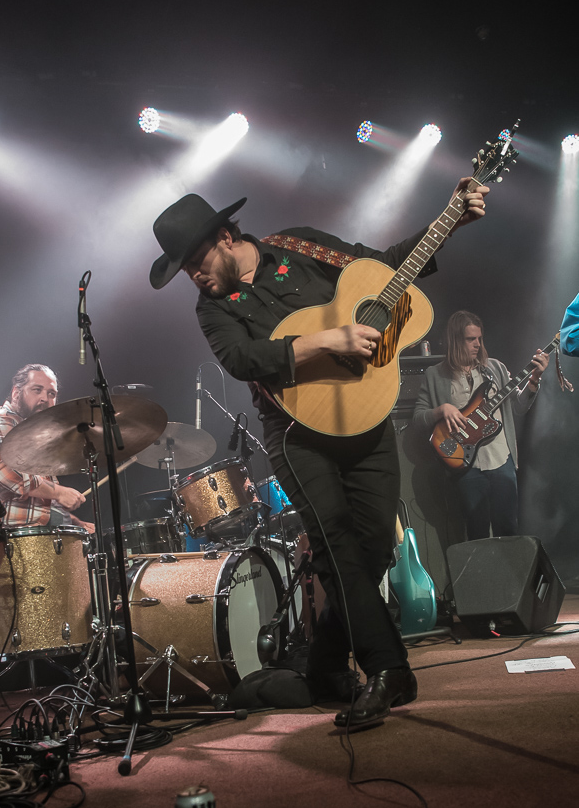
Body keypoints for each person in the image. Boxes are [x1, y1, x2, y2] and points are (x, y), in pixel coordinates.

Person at [149, 180, 488, 732]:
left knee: (375, 547)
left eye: (195, 261)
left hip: (367, 415)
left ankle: (327, 666)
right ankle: (389, 667)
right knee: (335, 543)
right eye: (185, 269)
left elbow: (383, 268)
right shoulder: (212, 310)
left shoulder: (302, 248)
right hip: (296, 435)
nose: (194, 275)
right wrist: (327, 342)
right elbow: (242, 358)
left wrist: (447, 222)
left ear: (227, 237)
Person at [413, 311, 548, 540]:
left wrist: (534, 380)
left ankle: (512, 576)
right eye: (470, 339)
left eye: (479, 338)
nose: (477, 344)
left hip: (501, 460)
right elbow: (417, 420)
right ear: (456, 340)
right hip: (465, 464)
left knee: (508, 529)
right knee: (477, 533)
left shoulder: (494, 368)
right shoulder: (434, 375)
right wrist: (441, 410)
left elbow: (518, 406)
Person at [0, 363, 94, 563]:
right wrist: (59, 492)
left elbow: (41, 499)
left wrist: (74, 522)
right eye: (37, 390)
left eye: (51, 393)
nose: (44, 399)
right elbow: (7, 473)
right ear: (16, 392)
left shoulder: (32, 436)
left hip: (25, 533)